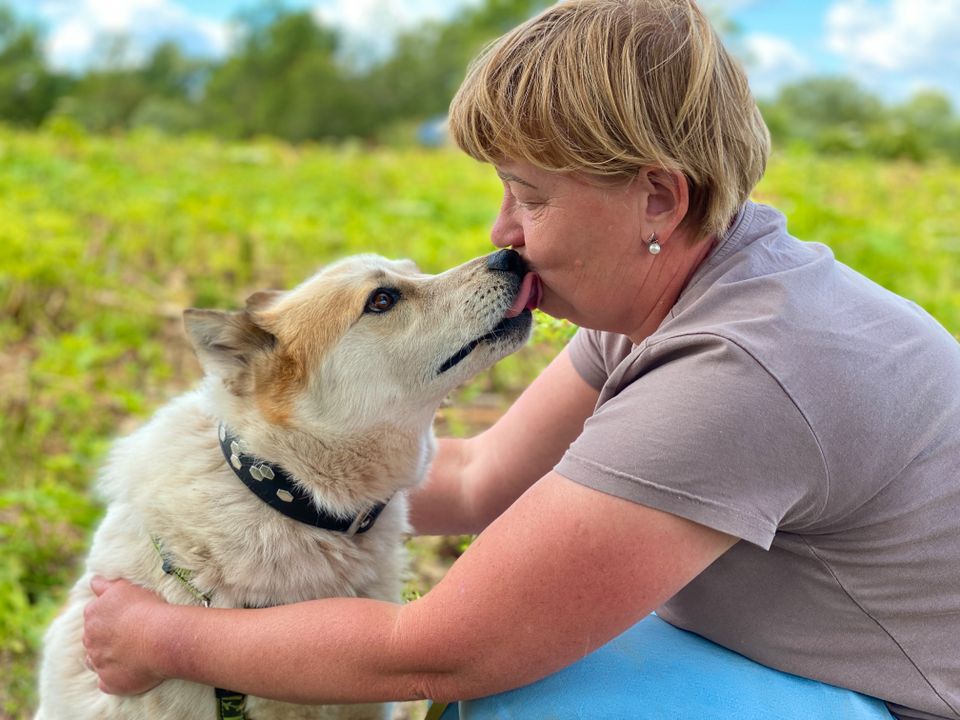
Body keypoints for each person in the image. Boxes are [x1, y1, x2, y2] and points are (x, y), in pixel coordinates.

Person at [82, 1, 960, 719]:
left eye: (531, 197)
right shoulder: (697, 285)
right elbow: (478, 479)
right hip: (779, 655)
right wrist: (254, 482)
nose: (503, 235)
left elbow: (441, 651)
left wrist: (166, 639)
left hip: (900, 700)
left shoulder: (740, 369)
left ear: (657, 197)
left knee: (505, 704)